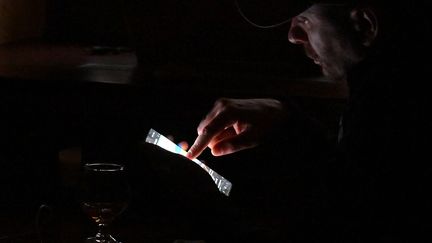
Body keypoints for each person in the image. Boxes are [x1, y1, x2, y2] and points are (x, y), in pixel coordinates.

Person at [186, 0, 430, 241]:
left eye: (305, 20)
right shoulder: (389, 87)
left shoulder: (394, 106)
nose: (293, 36)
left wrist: (201, 209)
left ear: (364, 25)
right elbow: (348, 180)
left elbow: (348, 219)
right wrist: (286, 122)